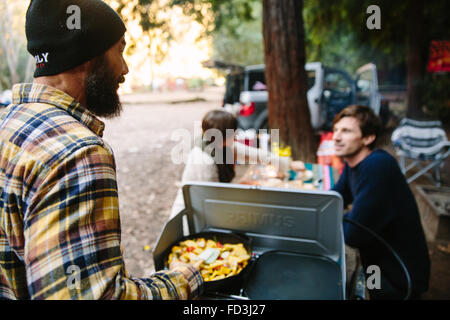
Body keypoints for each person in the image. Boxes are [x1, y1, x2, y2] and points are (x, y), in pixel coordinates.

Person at [0, 0, 202, 300]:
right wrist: (186, 279)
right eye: (120, 49)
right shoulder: (77, 153)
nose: (125, 68)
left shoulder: (9, 124)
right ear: (87, 55)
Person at [331, 105, 430, 300]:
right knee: (370, 290)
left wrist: (340, 216)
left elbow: (353, 234)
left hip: (399, 276)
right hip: (375, 262)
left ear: (368, 138)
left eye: (346, 131)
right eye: (335, 130)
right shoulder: (353, 163)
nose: (336, 137)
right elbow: (335, 198)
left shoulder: (377, 167)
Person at [170, 109, 291, 218]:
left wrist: (289, 164)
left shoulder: (223, 145)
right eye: (233, 132)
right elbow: (215, 198)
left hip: (209, 211)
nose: (236, 134)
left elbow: (256, 154)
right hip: (192, 216)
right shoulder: (204, 160)